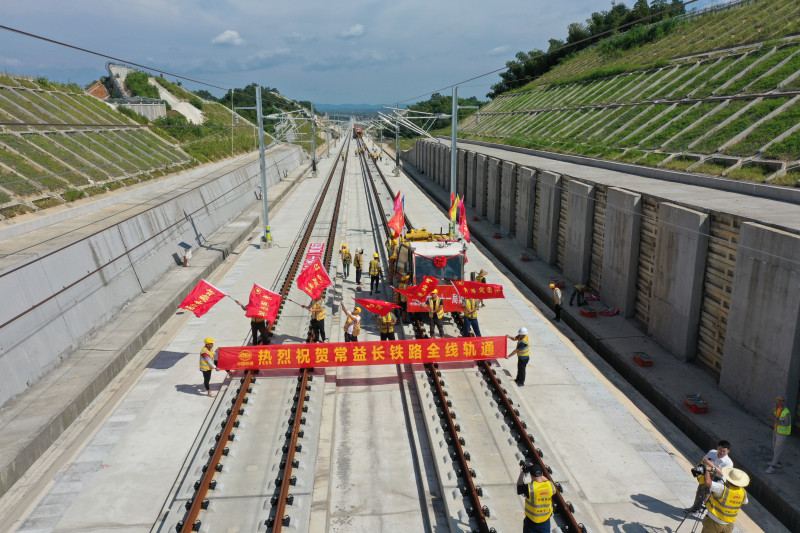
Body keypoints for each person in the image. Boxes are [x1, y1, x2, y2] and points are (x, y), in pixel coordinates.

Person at [687, 440, 733, 513]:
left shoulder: (729, 462)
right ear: (717, 447)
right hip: (707, 476)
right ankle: (695, 508)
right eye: (720, 450)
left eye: (724, 451)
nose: (721, 452)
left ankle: (705, 510)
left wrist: (712, 466)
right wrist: (707, 463)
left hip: (718, 482)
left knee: (710, 498)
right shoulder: (712, 452)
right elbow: (703, 461)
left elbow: (723, 474)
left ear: (728, 451)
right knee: (700, 492)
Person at [701, 466, 749, 533]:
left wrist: (707, 470)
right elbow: (745, 502)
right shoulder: (743, 492)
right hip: (728, 524)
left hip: (714, 522)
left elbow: (708, 483)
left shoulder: (722, 488)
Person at [516, 463, 555, 533]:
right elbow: (546, 480)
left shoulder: (530, 488)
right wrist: (535, 468)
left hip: (531, 523)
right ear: (542, 474)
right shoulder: (550, 486)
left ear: (531, 476)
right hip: (545, 523)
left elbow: (519, 487)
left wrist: (522, 472)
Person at [766, 395, 792, 473]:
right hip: (776, 431)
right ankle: (776, 462)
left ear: (784, 402)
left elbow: (787, 423)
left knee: (777, 449)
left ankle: (772, 465)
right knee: (775, 447)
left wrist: (775, 420)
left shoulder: (786, 412)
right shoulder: (777, 409)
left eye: (781, 401)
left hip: (782, 433)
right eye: (778, 400)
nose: (779, 402)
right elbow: (774, 416)